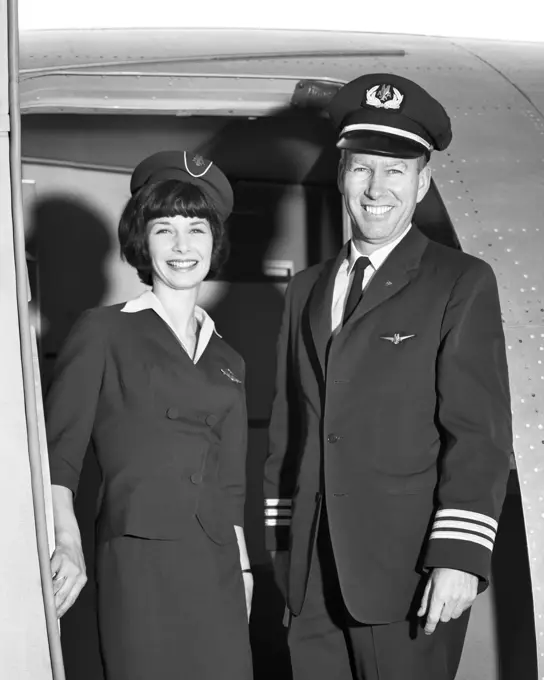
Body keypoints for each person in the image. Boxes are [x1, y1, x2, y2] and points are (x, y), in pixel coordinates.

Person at [263, 74, 512, 680]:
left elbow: (477, 433)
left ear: (422, 182)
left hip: (408, 574)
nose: (376, 188)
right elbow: (288, 426)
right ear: (342, 175)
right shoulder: (307, 289)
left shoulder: (460, 282)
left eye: (396, 170)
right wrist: (282, 547)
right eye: (362, 168)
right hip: (312, 576)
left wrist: (458, 557)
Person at [46, 151, 253, 680]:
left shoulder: (229, 358)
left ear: (215, 242)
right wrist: (65, 541)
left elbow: (230, 480)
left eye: (197, 229)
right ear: (143, 241)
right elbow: (58, 454)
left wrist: (245, 567)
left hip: (217, 567)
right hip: (138, 558)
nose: (183, 246)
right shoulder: (104, 331)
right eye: (165, 229)